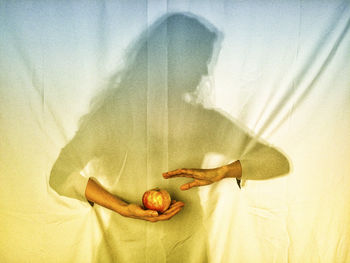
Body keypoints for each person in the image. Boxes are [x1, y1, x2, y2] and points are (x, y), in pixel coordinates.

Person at [49, 13, 289, 263]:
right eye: (200, 60)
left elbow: (277, 161)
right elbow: (61, 174)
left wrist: (223, 171)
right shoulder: (111, 118)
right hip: (124, 251)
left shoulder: (205, 120)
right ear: (172, 61)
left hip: (187, 251)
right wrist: (121, 207)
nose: (206, 72)